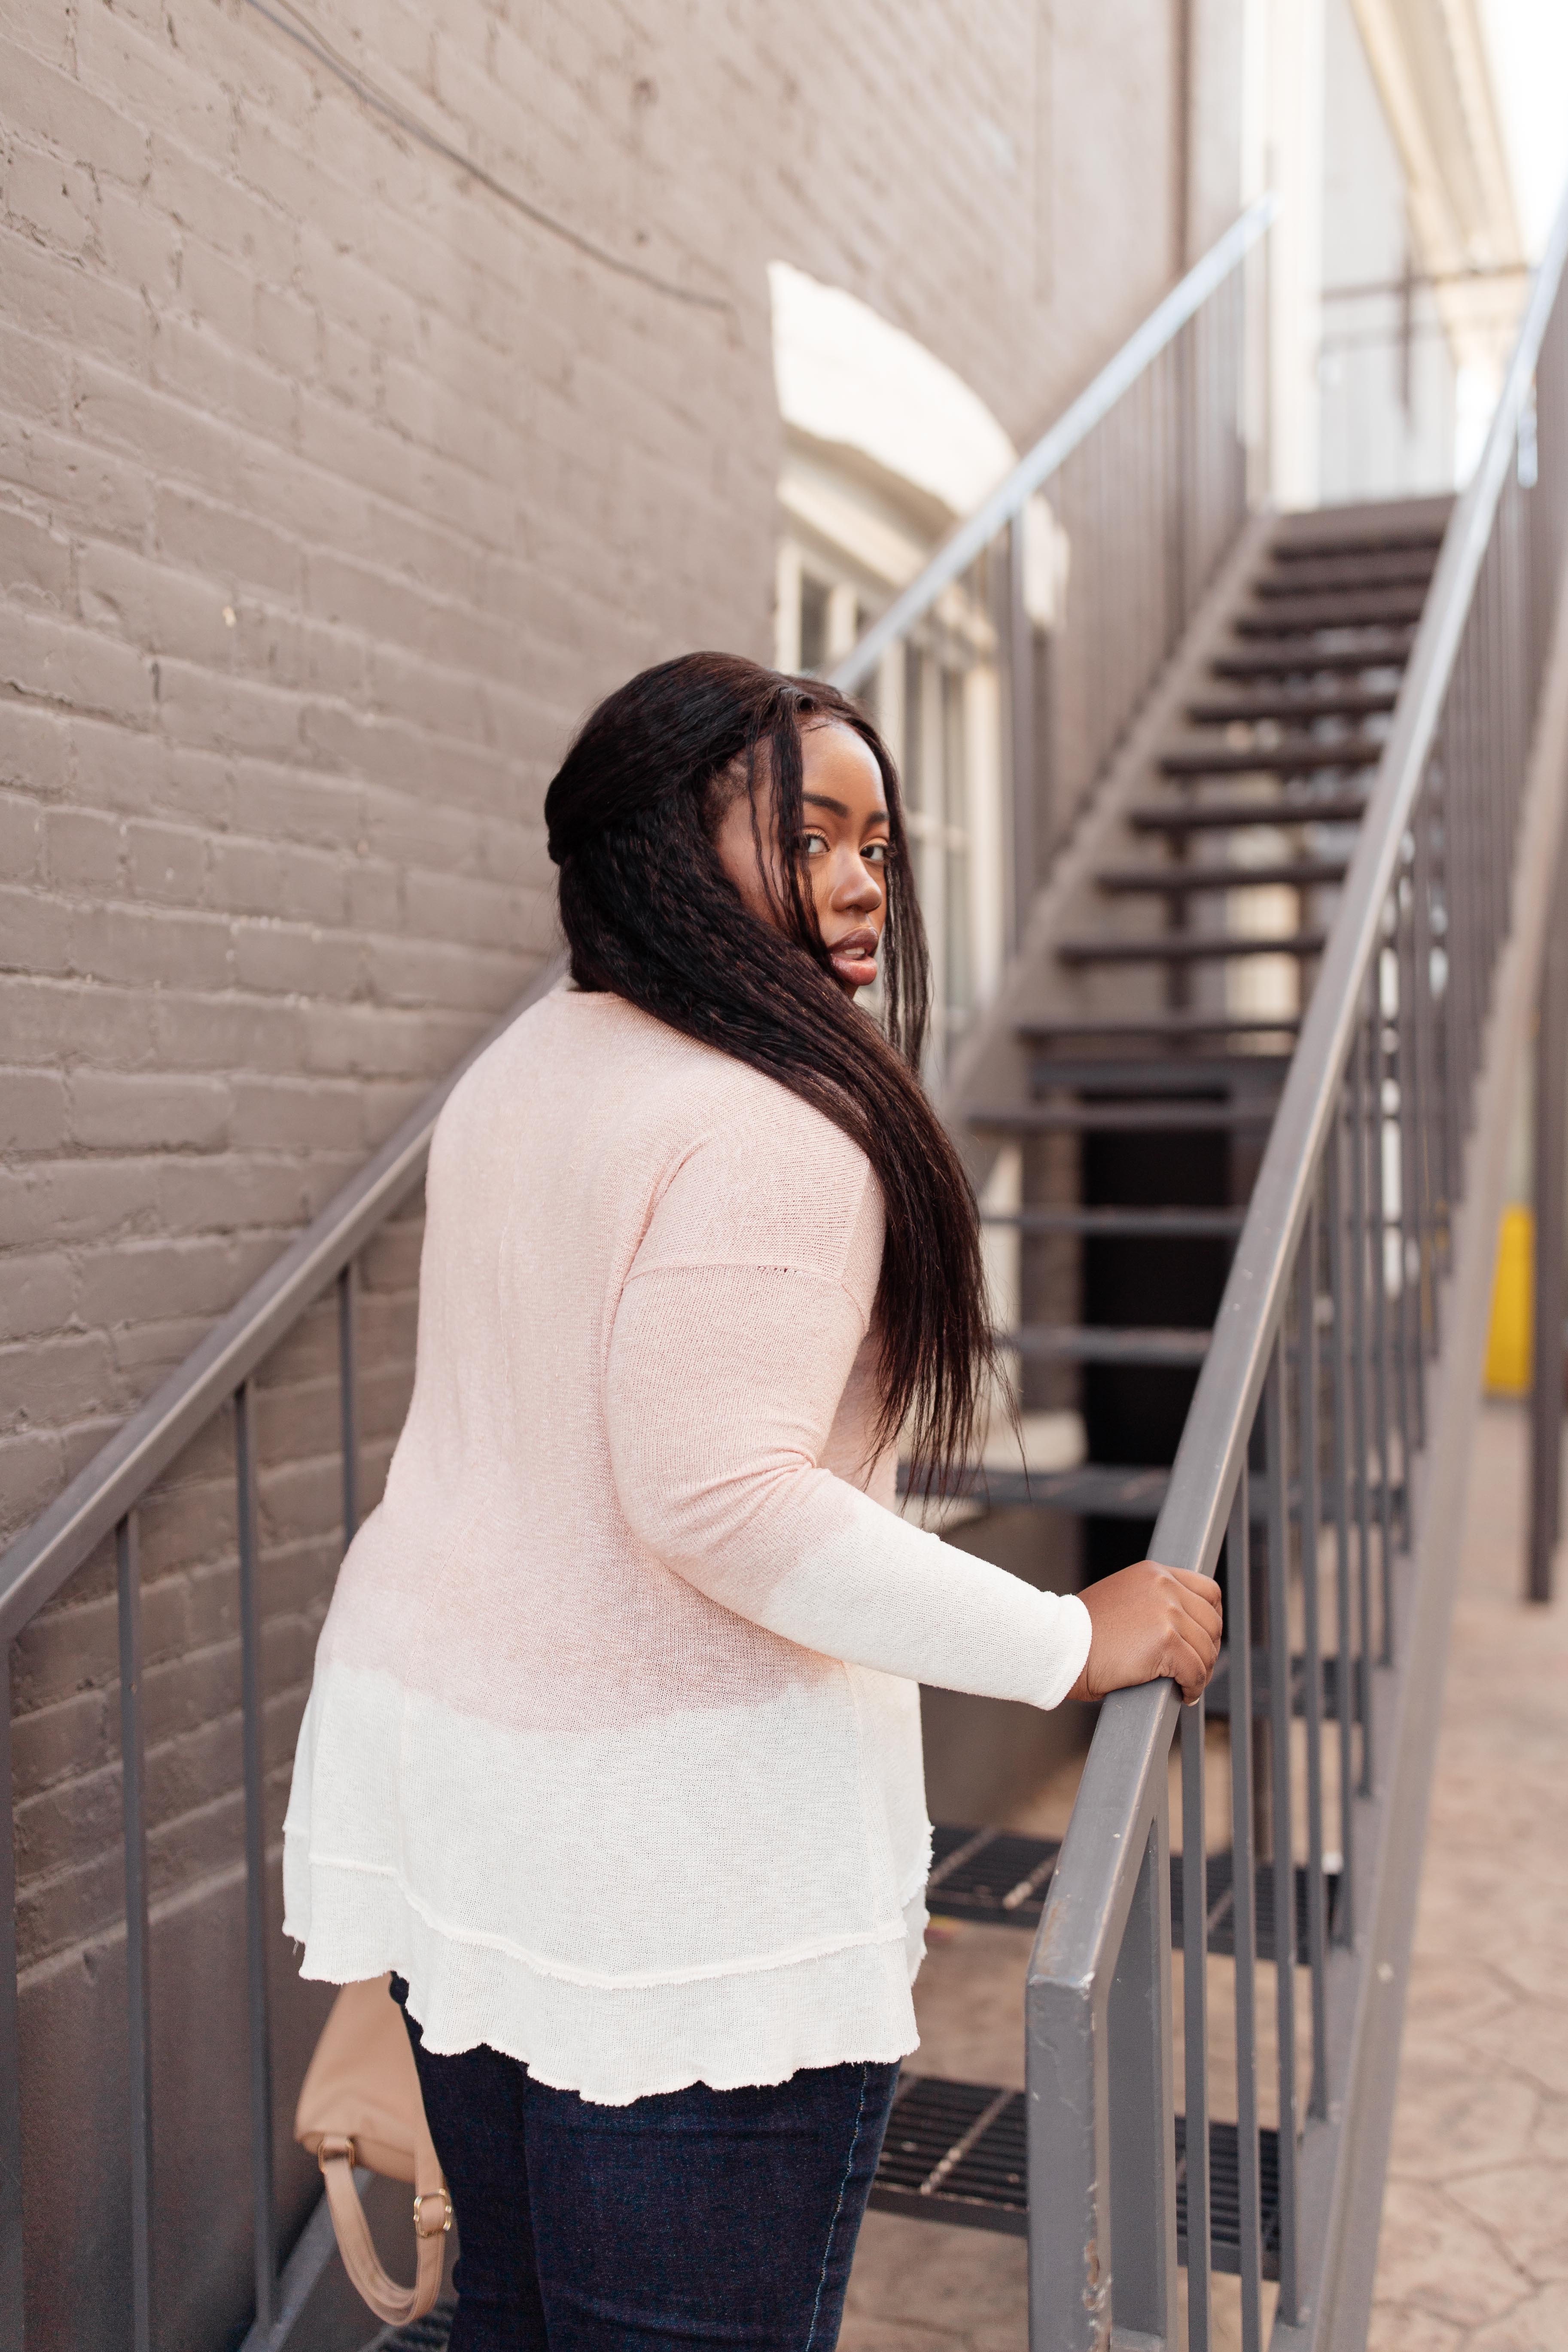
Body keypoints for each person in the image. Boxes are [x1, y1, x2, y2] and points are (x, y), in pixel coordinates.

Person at [282, 652, 1222, 2350]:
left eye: (879, 840)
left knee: (514, 2317)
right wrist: (1064, 1635)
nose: (862, 880)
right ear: (655, 848)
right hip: (667, 1866)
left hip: (463, 1786)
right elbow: (722, 1503)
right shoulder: (772, 1125)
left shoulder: (533, 1063)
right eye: (811, 834)